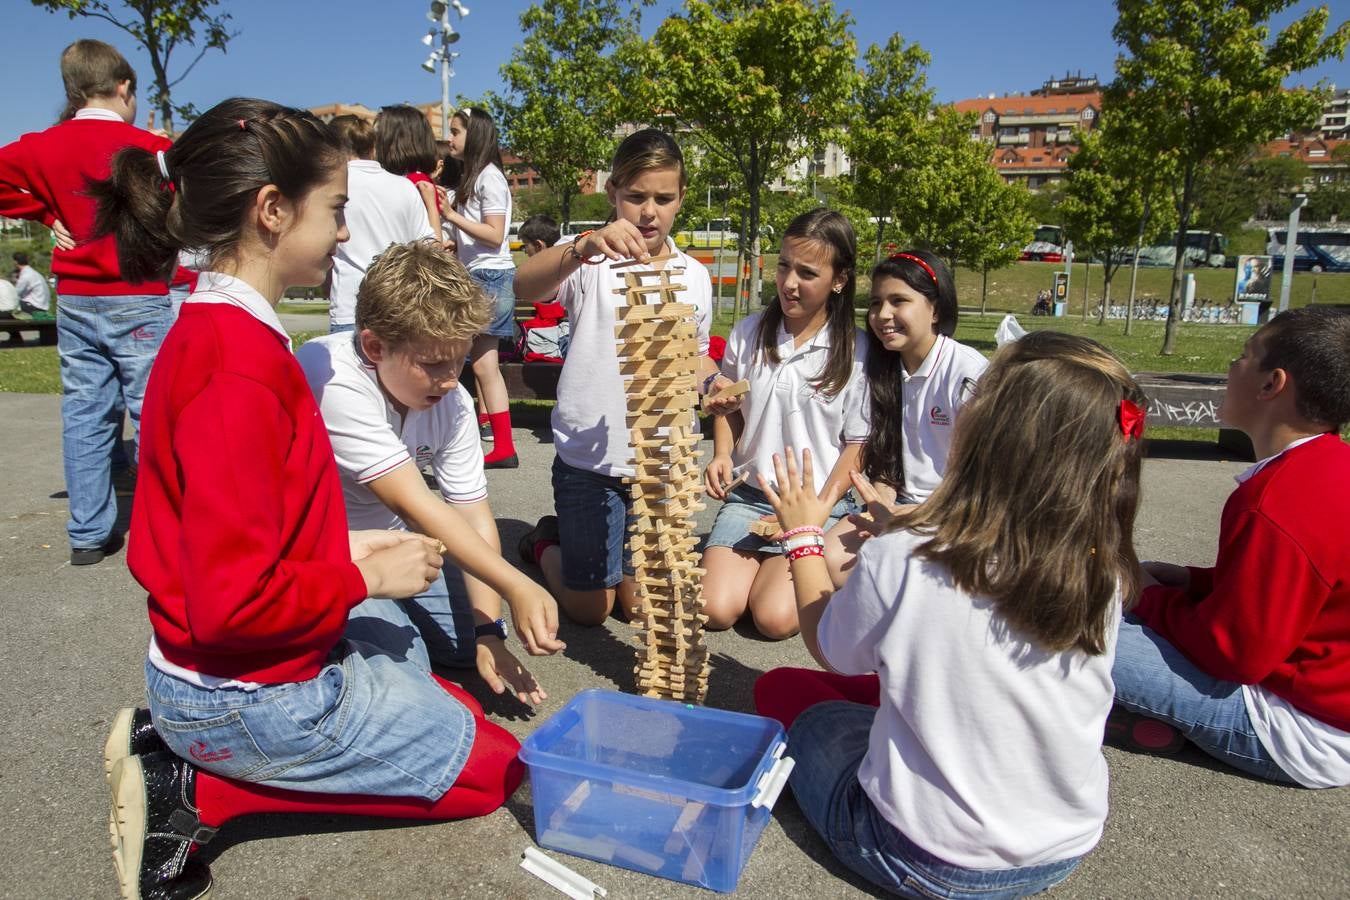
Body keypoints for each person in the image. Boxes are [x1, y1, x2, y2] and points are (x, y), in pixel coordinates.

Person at [89, 97, 527, 900]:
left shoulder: (228, 334)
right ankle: (196, 790)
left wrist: (350, 554)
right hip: (247, 693)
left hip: (243, 667)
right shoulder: (237, 370)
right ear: (271, 211)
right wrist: (365, 578)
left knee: (439, 693)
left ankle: (180, 738)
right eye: (334, 212)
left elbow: (249, 542)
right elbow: (230, 604)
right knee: (494, 775)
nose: (346, 234)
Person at [754, 331, 1146, 897]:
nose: (963, 402)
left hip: (923, 857)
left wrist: (803, 537)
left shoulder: (908, 555)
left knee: (786, 693)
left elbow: (829, 649)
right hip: (1061, 848)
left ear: (996, 434)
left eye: (978, 393)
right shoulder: (1098, 563)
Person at [297, 239, 563, 705]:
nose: (448, 379)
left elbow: (473, 515)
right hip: (330, 550)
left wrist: (490, 628)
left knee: (468, 648)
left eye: (458, 361)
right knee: (409, 665)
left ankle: (387, 626)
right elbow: (414, 502)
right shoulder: (334, 379)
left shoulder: (453, 401)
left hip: (400, 540)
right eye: (432, 364)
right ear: (374, 347)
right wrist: (515, 581)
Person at [1109, 306, 1350, 788]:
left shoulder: (1277, 501)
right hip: (1325, 708)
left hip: (1295, 731)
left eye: (1244, 356)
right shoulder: (1330, 466)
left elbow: (1232, 654)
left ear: (1271, 384)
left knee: (1070, 623)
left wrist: (1147, 597)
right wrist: (1199, 581)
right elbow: (1306, 594)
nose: (1231, 367)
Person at [514, 128, 722, 626]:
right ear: (613, 193)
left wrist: (712, 384)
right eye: (636, 197)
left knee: (639, 610)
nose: (649, 211)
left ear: (681, 198)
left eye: (663, 198)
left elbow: (695, 354)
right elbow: (524, 285)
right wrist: (583, 247)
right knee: (592, 609)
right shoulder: (589, 258)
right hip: (590, 459)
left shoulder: (694, 274)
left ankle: (597, 554)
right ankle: (546, 541)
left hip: (659, 464)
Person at [0, 39, 175, 565]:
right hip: (138, 293)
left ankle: (87, 534)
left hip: (76, 295)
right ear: (123, 87)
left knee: (84, 413)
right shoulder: (149, 148)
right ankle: (159, 531)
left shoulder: (40, 145)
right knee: (153, 414)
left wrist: (44, 215)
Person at [699, 208, 869, 639]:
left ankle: (821, 566)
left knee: (773, 619)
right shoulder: (748, 333)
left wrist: (816, 514)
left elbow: (857, 444)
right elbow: (731, 406)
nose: (789, 283)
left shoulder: (858, 351)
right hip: (751, 498)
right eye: (784, 266)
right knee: (715, 610)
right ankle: (762, 566)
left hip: (816, 506)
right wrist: (722, 453)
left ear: (840, 279)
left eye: (807, 272)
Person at [821, 250, 987, 588]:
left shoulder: (968, 375)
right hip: (901, 508)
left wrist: (910, 517)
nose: (883, 315)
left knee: (889, 574)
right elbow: (887, 466)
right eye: (876, 302)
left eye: (899, 301)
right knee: (829, 559)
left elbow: (986, 487)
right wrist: (880, 501)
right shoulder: (882, 369)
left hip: (958, 516)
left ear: (936, 309)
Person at [438, 107, 521, 468]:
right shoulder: (479, 177)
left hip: (489, 277)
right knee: (479, 365)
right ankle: (496, 442)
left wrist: (451, 216)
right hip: (482, 275)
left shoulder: (490, 178)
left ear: (476, 135)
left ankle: (499, 445)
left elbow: (495, 234)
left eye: (456, 131)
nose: (450, 138)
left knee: (480, 366)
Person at [325, 114, 434, 334]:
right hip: (400, 306)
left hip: (349, 304)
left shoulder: (331, 187)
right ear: (372, 147)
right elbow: (429, 247)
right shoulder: (404, 187)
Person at [374, 105, 442, 237]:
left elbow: (433, 244)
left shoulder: (417, 183)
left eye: (378, 135)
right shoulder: (403, 179)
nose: (373, 142)